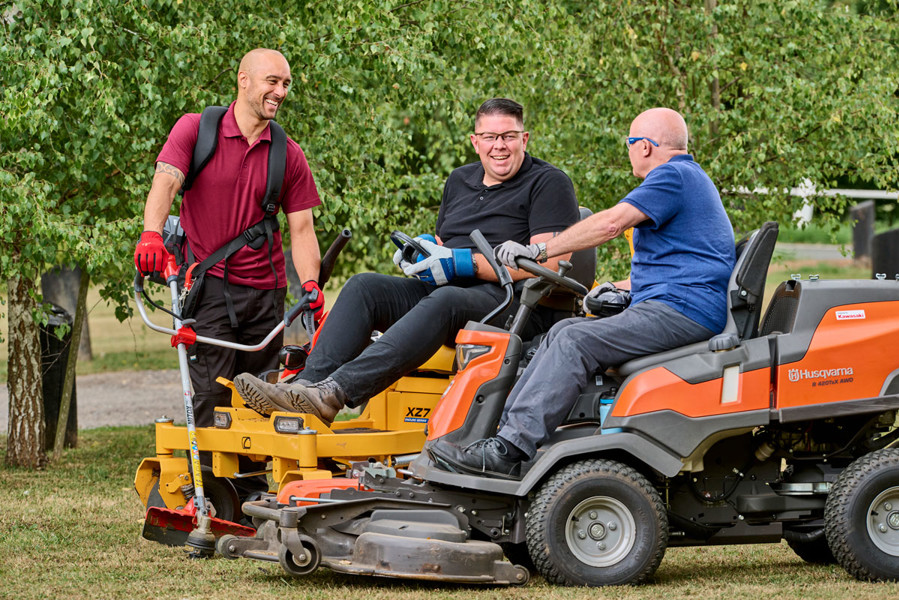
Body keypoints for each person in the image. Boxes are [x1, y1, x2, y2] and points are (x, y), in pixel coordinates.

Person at [429, 107, 736, 478]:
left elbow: (611, 223)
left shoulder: (672, 176)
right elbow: (683, 265)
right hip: (677, 304)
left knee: (574, 340)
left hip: (682, 311)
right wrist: (616, 288)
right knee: (561, 330)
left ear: (644, 146)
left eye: (630, 143)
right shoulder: (688, 179)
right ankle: (503, 439)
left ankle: (509, 450)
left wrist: (538, 250)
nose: (629, 151)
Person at [233, 98, 581, 424]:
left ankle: (334, 393)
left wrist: (464, 263)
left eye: (508, 136)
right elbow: (447, 241)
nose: (499, 146)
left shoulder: (548, 183)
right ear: (475, 142)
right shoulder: (460, 180)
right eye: (490, 137)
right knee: (365, 287)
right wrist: (426, 250)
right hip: (451, 294)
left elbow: (550, 263)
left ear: (524, 138)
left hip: (513, 304)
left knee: (446, 299)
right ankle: (304, 389)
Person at [133, 48, 323, 430]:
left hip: (266, 295)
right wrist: (151, 234)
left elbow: (302, 229)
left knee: (260, 401)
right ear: (244, 80)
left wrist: (311, 286)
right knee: (212, 399)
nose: (281, 91)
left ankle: (253, 473)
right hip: (208, 289)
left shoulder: (288, 154)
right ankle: (209, 471)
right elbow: (165, 183)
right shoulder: (196, 130)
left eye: (286, 84)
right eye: (272, 81)